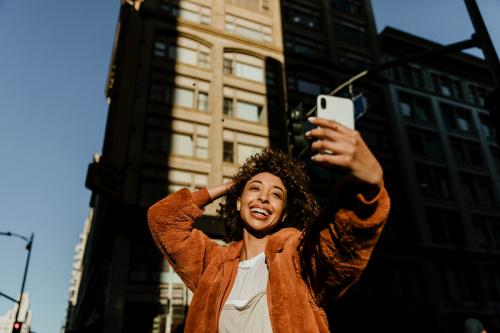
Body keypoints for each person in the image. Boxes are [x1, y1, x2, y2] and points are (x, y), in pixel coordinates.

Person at [148, 117, 390, 332]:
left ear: (283, 215)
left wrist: (368, 187)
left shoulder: (297, 259)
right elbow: (163, 219)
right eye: (255, 188)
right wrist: (229, 187)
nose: (263, 197)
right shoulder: (213, 265)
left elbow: (340, 243)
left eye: (276, 195)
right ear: (238, 203)